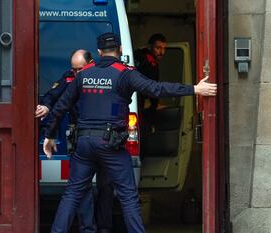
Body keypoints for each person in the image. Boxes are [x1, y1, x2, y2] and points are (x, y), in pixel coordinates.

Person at [43, 32, 217, 233]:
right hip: (110, 145)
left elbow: (61, 105)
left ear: (99, 52)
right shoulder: (125, 73)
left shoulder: (83, 73)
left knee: (72, 194)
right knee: (128, 196)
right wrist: (194, 89)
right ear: (121, 50)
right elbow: (156, 89)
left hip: (84, 143)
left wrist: (49, 135)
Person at [35, 49, 98, 233]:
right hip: (80, 139)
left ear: (91, 63)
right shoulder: (70, 77)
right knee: (83, 187)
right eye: (74, 69)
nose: (76, 73)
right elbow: (53, 96)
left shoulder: (101, 76)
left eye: (80, 69)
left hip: (103, 140)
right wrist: (46, 105)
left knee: (107, 189)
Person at [134, 33, 167, 111]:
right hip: (137, 102)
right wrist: (155, 105)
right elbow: (152, 86)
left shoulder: (137, 56)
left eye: (164, 48)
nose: (162, 52)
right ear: (150, 47)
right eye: (158, 48)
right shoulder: (149, 62)